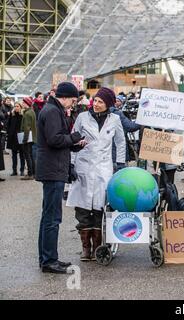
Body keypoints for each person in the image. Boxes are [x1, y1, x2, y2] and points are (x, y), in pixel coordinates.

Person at [66, 87, 126, 261]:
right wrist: (70, 164)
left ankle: (98, 247)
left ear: (108, 104)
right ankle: (86, 248)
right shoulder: (82, 117)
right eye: (96, 101)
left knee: (101, 206)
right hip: (83, 166)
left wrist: (120, 163)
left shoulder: (115, 119)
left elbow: (120, 142)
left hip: (103, 168)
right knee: (83, 209)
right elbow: (73, 138)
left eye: (101, 102)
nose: (97, 104)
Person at [35, 82, 86, 274]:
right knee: (52, 218)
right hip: (53, 169)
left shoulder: (52, 109)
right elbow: (55, 139)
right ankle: (49, 260)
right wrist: (74, 138)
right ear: (64, 97)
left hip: (52, 168)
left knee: (48, 216)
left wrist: (76, 145)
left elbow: (57, 140)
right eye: (72, 100)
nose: (72, 105)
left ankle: (46, 258)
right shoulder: (53, 111)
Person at [110, 95, 140, 171]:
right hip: (118, 155)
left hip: (104, 157)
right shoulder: (117, 114)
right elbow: (131, 127)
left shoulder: (93, 114)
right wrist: (141, 119)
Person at [20, 97, 37, 180]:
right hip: (32, 137)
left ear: (26, 104)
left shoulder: (27, 114)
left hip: (28, 138)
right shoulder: (32, 112)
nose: (22, 104)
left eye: (23, 103)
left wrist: (24, 139)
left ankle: (30, 174)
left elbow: (26, 128)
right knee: (31, 156)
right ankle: (34, 173)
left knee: (28, 156)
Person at [7, 102, 25, 176]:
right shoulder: (12, 114)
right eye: (15, 106)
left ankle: (22, 170)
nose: (16, 107)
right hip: (13, 137)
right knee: (14, 155)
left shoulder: (23, 115)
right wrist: (9, 133)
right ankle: (14, 170)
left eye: (17, 106)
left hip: (20, 136)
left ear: (20, 107)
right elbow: (9, 124)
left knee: (22, 155)